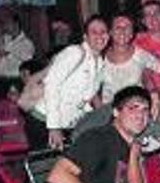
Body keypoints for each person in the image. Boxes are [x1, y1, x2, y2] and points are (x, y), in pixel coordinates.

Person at [33, 14, 108, 150]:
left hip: (67, 123)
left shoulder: (100, 62)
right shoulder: (74, 53)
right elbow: (51, 85)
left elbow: (85, 97)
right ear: (85, 37)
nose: (99, 36)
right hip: (44, 121)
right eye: (94, 32)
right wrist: (54, 127)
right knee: (47, 162)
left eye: (103, 31)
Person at [102, 14, 160, 104]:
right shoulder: (101, 58)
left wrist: (158, 91)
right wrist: (99, 108)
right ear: (111, 32)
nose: (122, 30)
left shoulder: (140, 55)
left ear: (132, 34)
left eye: (127, 27)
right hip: (109, 108)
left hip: (136, 107)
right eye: (118, 27)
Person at [0, 15, 35, 79]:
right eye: (4, 23)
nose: (5, 26)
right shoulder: (4, 38)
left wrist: (8, 54)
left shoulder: (27, 43)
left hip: (15, 78)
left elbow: (27, 59)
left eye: (8, 23)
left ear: (16, 24)